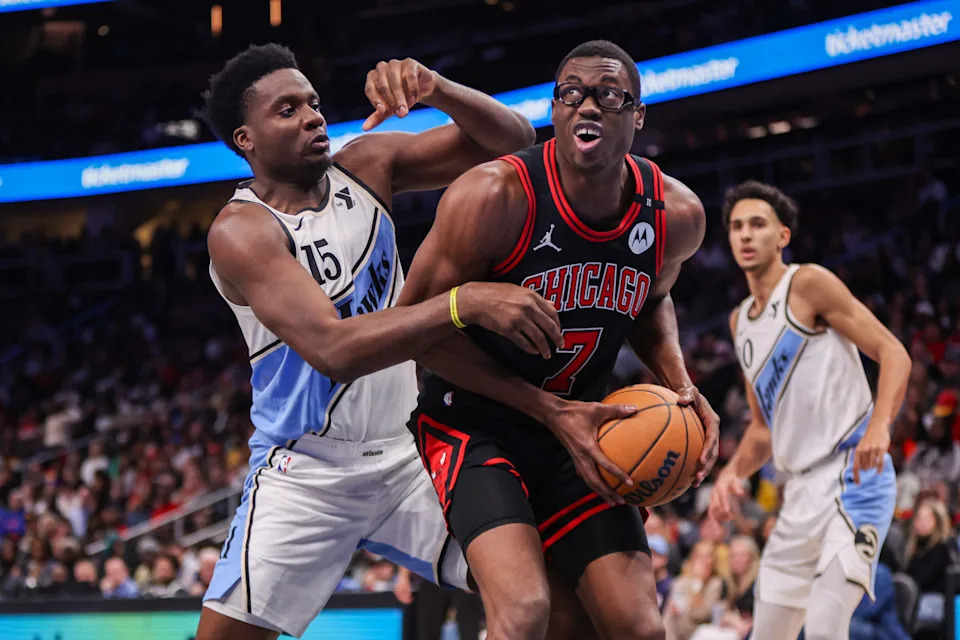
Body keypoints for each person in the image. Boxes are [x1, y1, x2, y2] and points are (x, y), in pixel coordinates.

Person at [196, 43, 559, 640]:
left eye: (313, 103)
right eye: (287, 110)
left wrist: (436, 88)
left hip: (411, 452)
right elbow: (335, 351)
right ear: (246, 139)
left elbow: (515, 143)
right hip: (307, 472)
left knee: (542, 598)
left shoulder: (367, 163)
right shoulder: (241, 230)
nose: (312, 117)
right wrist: (463, 303)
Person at [398, 40, 720, 640]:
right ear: (554, 109)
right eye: (571, 93)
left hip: (584, 426)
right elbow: (412, 329)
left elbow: (652, 302)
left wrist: (682, 386)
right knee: (526, 612)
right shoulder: (493, 195)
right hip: (474, 423)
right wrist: (549, 410)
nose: (587, 106)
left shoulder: (675, 214)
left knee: (638, 628)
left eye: (608, 95)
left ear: (638, 115)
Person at [708, 180, 912, 640]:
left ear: (783, 235)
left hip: (854, 474)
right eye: (737, 226)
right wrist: (731, 473)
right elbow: (763, 430)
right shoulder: (740, 322)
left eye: (757, 224)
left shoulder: (807, 284)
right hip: (798, 492)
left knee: (823, 628)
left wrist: (880, 425)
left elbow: (893, 352)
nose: (745, 234)